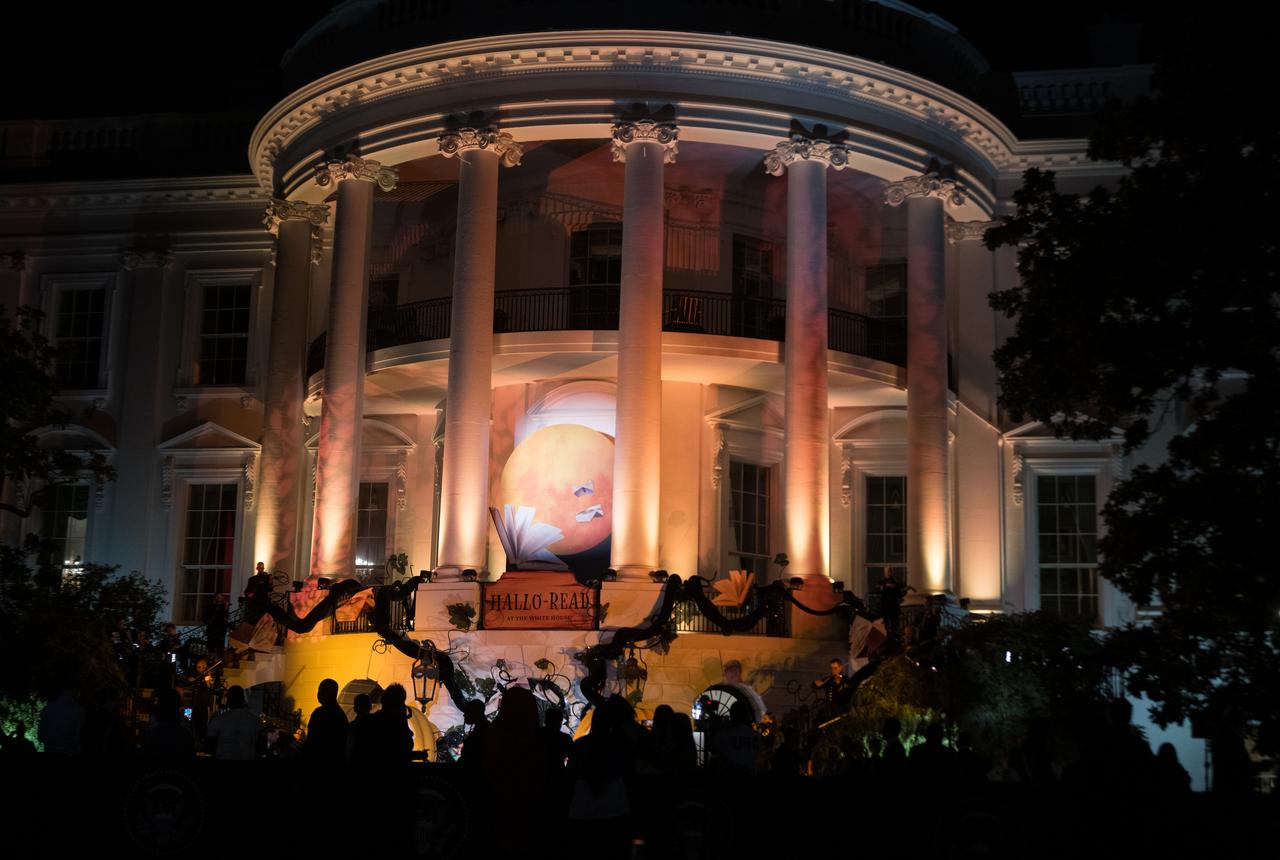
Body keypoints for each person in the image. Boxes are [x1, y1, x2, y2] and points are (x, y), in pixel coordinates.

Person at [207, 685, 261, 760]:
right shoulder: (255, 720)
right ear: (243, 700)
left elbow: (210, 746)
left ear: (228, 701)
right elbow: (259, 746)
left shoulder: (218, 720)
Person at [303, 678, 348, 764]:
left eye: (322, 690)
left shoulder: (324, 713)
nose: (319, 694)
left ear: (331, 693)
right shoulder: (338, 714)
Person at [204, 593, 229, 661]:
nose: (219, 598)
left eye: (220, 597)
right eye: (218, 597)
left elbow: (225, 616)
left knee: (219, 645)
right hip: (212, 628)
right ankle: (211, 657)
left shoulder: (223, 606)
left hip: (220, 629)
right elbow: (207, 615)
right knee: (211, 644)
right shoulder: (212, 606)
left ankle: (219, 659)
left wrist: (226, 608)